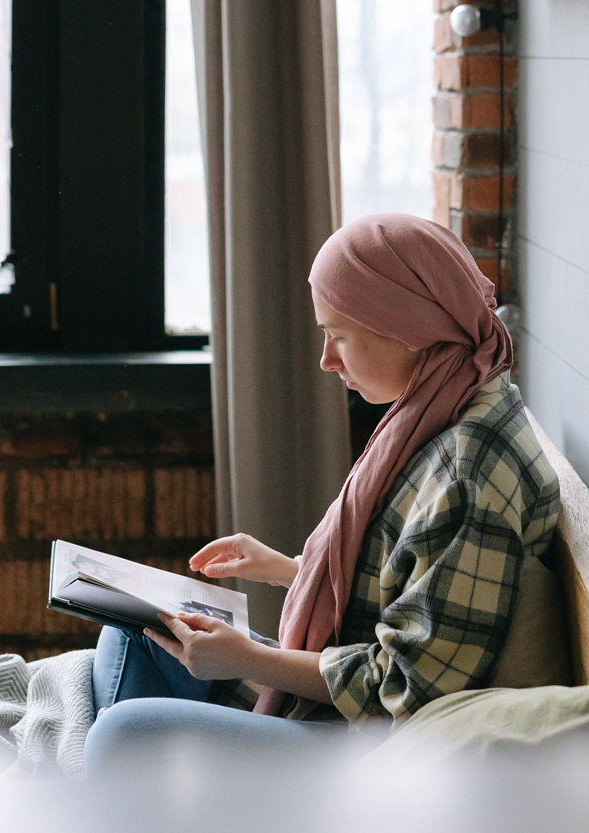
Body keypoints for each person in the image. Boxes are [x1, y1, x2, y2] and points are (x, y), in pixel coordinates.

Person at [84, 213, 562, 769]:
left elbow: (404, 688)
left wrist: (252, 659)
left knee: (121, 734)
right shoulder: (450, 399)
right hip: (343, 707)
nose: (326, 360)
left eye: (338, 336)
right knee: (132, 635)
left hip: (359, 745)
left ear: (406, 326)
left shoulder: (467, 475)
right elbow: (414, 580)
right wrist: (293, 570)